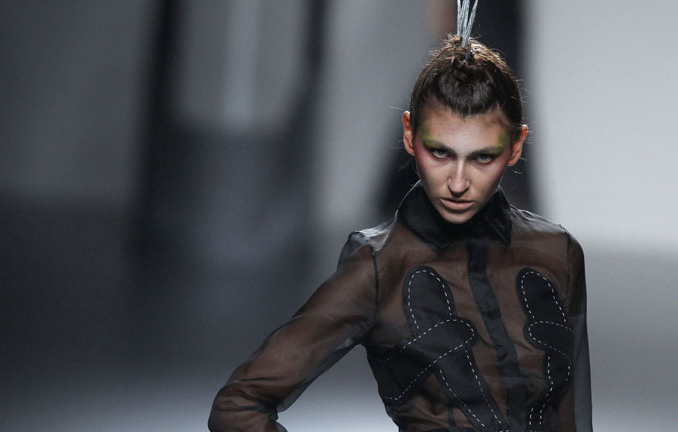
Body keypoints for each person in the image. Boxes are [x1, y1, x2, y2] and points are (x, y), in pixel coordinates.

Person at [208, 34, 592, 432]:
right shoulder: (380, 267)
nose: (458, 182)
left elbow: (574, 419)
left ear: (515, 146)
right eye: (440, 152)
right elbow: (238, 405)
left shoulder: (557, 253)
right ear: (409, 134)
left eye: (483, 157)